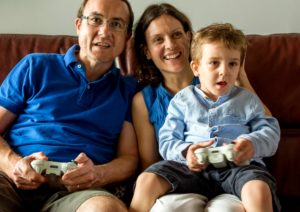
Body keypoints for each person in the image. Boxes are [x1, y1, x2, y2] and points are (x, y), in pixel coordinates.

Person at [130, 4, 276, 212]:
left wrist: (240, 77)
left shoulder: (228, 82)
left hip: (236, 170)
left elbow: (269, 127)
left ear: (189, 37)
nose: (170, 45)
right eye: (158, 39)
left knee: (247, 195)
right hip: (187, 172)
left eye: (177, 34)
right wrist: (186, 152)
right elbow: (154, 159)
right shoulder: (152, 101)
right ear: (146, 51)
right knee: (149, 181)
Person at [0, 0, 138, 211]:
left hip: (78, 193)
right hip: (10, 181)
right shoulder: (34, 66)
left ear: (127, 37)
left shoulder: (129, 90)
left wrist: (98, 175)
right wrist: (12, 166)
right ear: (79, 25)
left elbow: (129, 159)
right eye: (95, 19)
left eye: (117, 24)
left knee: (107, 209)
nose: (105, 31)